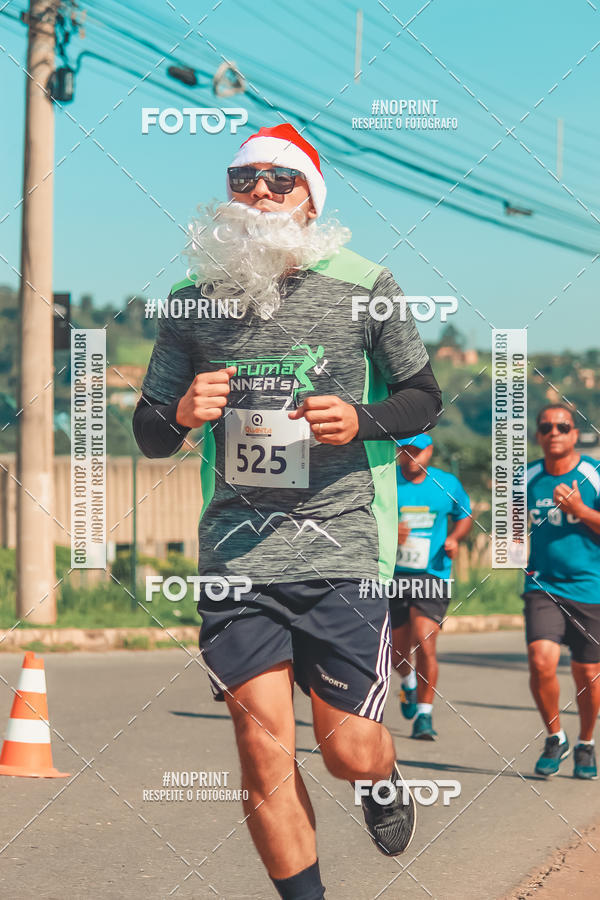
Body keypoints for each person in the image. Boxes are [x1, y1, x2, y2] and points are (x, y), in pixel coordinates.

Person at [133, 123, 442, 900]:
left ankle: (380, 775)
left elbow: (423, 396)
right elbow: (147, 429)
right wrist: (181, 412)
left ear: (311, 198)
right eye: (245, 181)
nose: (260, 195)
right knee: (261, 745)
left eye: (280, 180)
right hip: (237, 556)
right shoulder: (192, 301)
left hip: (342, 544)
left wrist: (362, 418)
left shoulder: (367, 284)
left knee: (345, 749)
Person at [525, 404, 600, 780]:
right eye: (546, 427)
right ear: (538, 435)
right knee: (541, 661)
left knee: (588, 674)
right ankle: (555, 735)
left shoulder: (594, 474)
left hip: (591, 587)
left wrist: (581, 510)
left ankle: (586, 742)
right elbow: (509, 530)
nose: (553, 432)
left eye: (562, 426)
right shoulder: (525, 477)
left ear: (574, 434)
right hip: (542, 584)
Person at [389, 434, 472, 740]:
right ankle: (408, 681)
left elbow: (463, 515)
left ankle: (424, 716)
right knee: (396, 655)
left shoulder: (446, 483)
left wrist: (454, 538)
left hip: (432, 574)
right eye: (405, 451)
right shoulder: (386, 481)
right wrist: (386, 531)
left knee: (425, 641)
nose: (411, 458)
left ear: (429, 451)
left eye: (417, 452)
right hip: (393, 575)